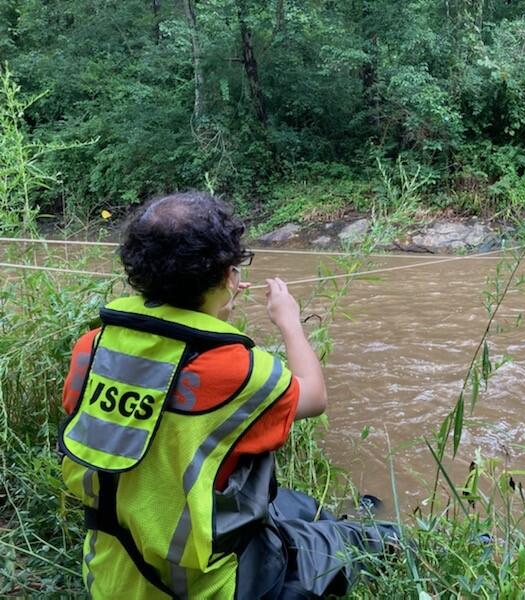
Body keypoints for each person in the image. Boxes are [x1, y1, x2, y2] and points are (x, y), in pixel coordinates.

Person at [59, 191, 397, 599]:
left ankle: (343, 517)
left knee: (294, 506)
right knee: (351, 542)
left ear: (137, 273)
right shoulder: (237, 369)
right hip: (203, 585)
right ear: (225, 276)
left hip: (110, 576)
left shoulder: (92, 347)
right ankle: (377, 536)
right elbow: (314, 397)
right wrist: (289, 320)